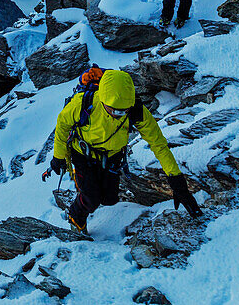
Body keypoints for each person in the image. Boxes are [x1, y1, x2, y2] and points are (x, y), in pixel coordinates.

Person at [44, 68, 200, 233]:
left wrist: (177, 183)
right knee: (91, 197)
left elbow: (159, 145)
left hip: (112, 156)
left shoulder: (136, 110)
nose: (119, 115)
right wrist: (59, 157)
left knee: (110, 199)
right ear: (103, 99)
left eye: (123, 110)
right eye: (114, 110)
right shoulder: (83, 103)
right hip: (83, 154)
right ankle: (76, 217)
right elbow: (62, 126)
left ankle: (88, 196)